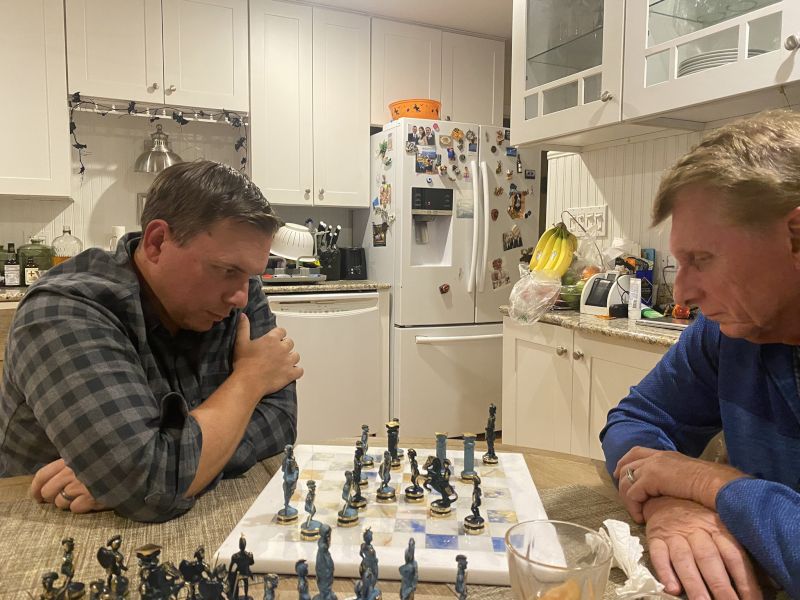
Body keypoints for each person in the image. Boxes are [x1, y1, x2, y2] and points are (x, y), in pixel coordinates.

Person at [0, 160, 301, 522]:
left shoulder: (238, 288)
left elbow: (281, 421)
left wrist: (159, 467)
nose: (241, 296)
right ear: (158, 242)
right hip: (47, 525)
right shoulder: (64, 310)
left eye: (250, 274)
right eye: (227, 270)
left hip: (192, 520)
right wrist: (250, 377)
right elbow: (146, 486)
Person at [600, 109, 800, 599]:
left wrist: (706, 482)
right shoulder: (728, 331)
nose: (683, 294)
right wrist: (669, 499)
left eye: (702, 260)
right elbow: (635, 419)